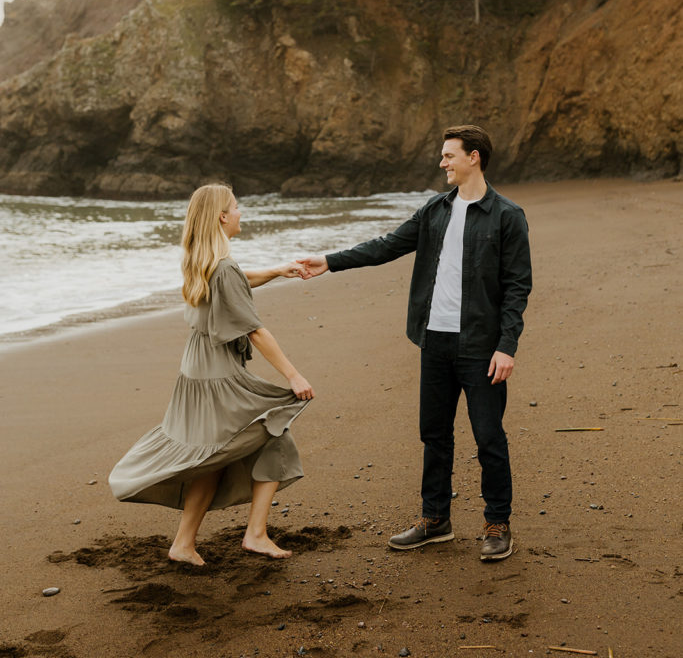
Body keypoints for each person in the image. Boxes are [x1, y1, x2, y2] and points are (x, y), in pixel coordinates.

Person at [300, 124, 531, 561]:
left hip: (481, 347)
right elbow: (387, 246)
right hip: (434, 341)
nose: (442, 163)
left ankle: (497, 524)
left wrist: (507, 345)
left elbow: (518, 286)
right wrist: (329, 262)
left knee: (488, 438)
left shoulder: (506, 215)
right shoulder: (435, 210)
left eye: (449, 155)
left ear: (474, 157)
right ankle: (435, 519)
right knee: (434, 435)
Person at [109, 183, 314, 565]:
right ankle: (254, 534)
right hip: (220, 379)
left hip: (195, 373)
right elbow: (255, 329)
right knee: (275, 434)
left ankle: (184, 544)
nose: (240, 214)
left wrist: (275, 271)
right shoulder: (224, 266)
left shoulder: (198, 260)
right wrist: (294, 376)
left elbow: (235, 280)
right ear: (222, 217)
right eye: (236, 208)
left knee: (211, 456)